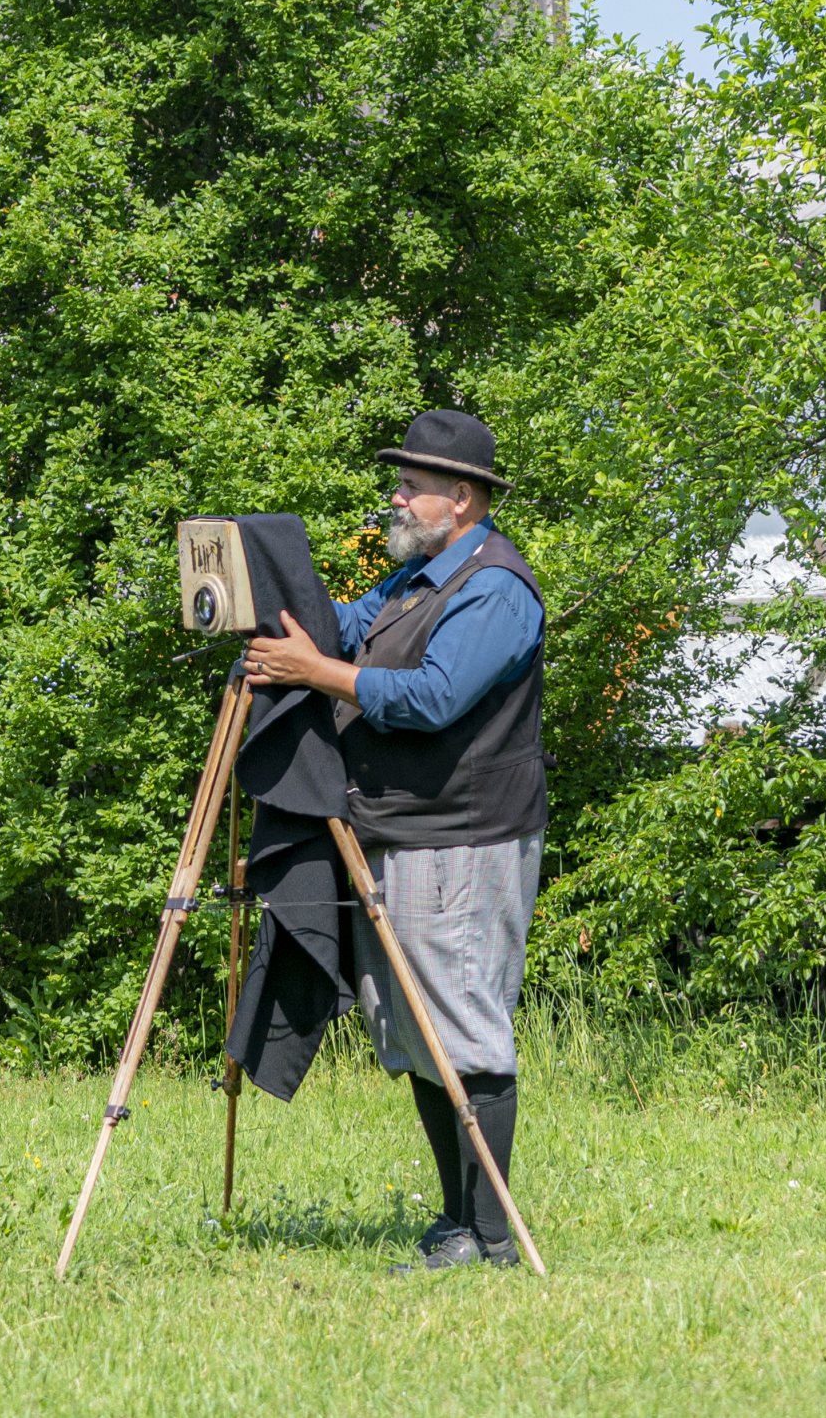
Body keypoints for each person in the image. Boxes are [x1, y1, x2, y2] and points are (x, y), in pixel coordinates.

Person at [243, 407, 544, 1275]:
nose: (396, 496)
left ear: (461, 497)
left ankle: (492, 1237)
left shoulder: (494, 585)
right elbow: (342, 627)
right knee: (418, 1026)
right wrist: (264, 610)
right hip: (402, 830)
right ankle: (457, 1220)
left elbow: (434, 696)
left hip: (465, 835)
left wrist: (317, 674)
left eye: (410, 484)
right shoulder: (417, 577)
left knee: (464, 1025)